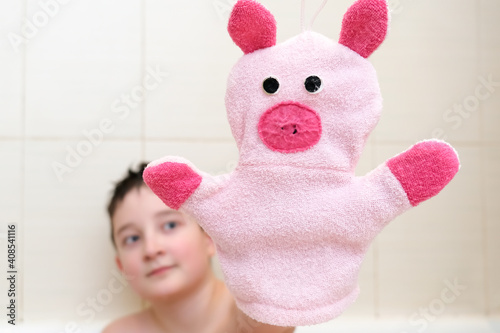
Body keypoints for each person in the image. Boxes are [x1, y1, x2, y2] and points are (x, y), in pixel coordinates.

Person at [102, 163, 295, 333]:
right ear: (121, 266)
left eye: (170, 225)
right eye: (132, 238)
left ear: (210, 239)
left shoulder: (256, 316)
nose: (151, 249)